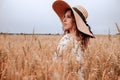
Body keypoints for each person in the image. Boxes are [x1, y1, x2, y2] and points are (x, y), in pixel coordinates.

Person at [52, 0, 95, 80]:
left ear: (75, 21)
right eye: (64, 16)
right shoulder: (68, 39)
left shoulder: (70, 40)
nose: (64, 20)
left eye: (68, 17)